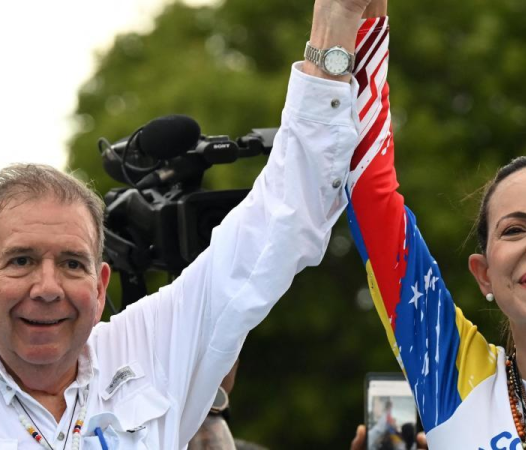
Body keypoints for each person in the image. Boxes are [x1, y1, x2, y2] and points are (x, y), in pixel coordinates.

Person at [0, 0, 375, 447]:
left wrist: (337, 21)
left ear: (101, 287)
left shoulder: (147, 350)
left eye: (72, 264)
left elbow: (282, 220)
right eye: (20, 260)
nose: (47, 287)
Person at [346, 1, 526, 449]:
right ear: (484, 273)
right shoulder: (453, 375)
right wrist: (354, 21)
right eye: (514, 230)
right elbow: (370, 196)